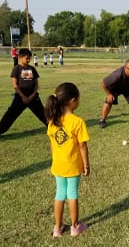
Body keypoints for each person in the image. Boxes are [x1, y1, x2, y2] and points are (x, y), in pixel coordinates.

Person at [44, 82, 90, 237]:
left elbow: (52, 145)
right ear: (72, 100)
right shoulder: (77, 122)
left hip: (58, 165)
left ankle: (58, 228)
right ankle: (75, 226)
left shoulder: (52, 121)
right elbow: (82, 146)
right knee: (72, 194)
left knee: (60, 193)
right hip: (72, 165)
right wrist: (86, 165)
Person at [0, 48, 47, 140]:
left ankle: (53, 127)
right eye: (27, 58)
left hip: (33, 97)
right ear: (20, 58)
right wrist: (23, 97)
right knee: (10, 114)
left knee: (43, 114)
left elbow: (36, 83)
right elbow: (14, 84)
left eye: (30, 58)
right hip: (20, 98)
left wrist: (33, 94)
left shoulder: (32, 69)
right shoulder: (16, 69)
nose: (29, 60)